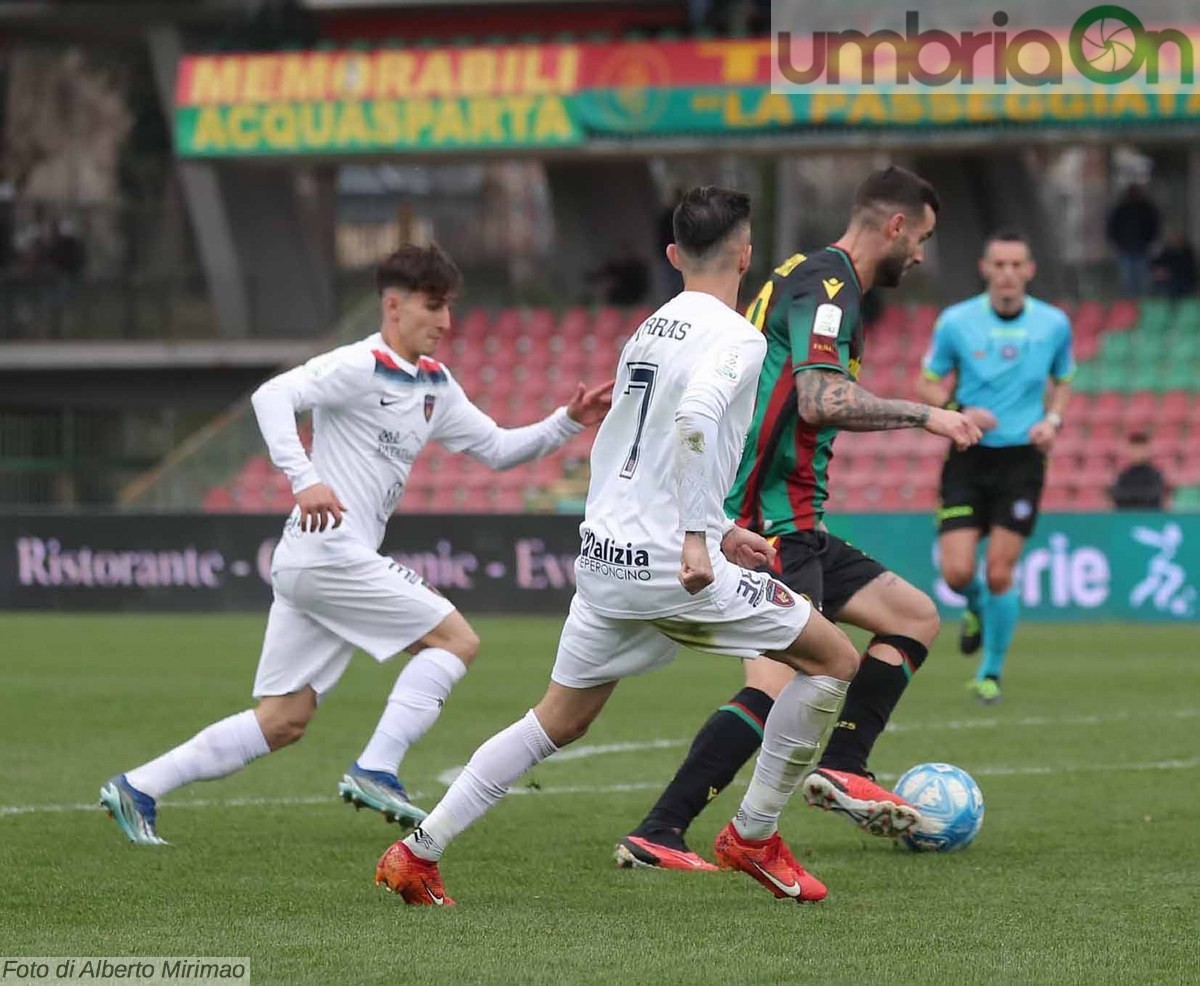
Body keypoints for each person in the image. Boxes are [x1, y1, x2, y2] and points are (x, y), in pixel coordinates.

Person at [376, 186, 867, 907]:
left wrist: (721, 528)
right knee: (832, 660)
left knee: (558, 718)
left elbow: (641, 449)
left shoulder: (648, 329)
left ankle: (418, 852)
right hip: (674, 564)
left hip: (608, 555)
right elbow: (698, 417)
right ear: (747, 254)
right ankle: (754, 834)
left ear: (673, 256)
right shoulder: (739, 336)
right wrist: (703, 537)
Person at [99, 244, 613, 845]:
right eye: (433, 306)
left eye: (449, 308)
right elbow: (271, 397)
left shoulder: (433, 385)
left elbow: (497, 450)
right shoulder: (358, 366)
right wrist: (305, 479)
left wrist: (568, 420)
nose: (445, 322)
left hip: (314, 560)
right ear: (393, 306)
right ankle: (377, 767)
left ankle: (138, 787)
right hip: (328, 551)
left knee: (284, 719)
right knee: (455, 639)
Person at [614, 166, 983, 872]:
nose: (922, 256)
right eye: (923, 238)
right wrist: (926, 413)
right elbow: (819, 398)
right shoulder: (830, 283)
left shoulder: (803, 273)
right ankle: (665, 828)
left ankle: (843, 763)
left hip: (793, 513)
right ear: (895, 226)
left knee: (912, 617)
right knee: (779, 680)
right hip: (766, 517)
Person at [916, 230, 1075, 704]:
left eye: (1016, 265)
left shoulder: (1054, 324)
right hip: (969, 453)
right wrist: (956, 406)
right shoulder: (956, 322)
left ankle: (991, 672)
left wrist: (1053, 419)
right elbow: (926, 384)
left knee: (1001, 571)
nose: (1007, 274)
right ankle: (975, 608)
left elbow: (1063, 380)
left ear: (1030, 270)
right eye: (999, 265)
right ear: (985, 268)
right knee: (958, 573)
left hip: (1022, 459)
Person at [1106, 184, 1161, 297]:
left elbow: (1154, 227)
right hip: (1126, 249)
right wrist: (1118, 244)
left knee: (1143, 281)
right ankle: (1130, 306)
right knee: (1128, 281)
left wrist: (1149, 242)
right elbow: (1112, 228)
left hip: (1142, 249)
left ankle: (1142, 304)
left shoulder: (1146, 209)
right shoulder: (1120, 210)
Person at [1110, 432, 1168, 510]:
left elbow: (1155, 496)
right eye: (1135, 448)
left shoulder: (1155, 474)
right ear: (1129, 450)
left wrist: (1131, 497)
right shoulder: (1124, 475)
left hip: (1150, 518)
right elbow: (1118, 496)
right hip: (1127, 518)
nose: (1138, 452)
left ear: (1147, 449)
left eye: (1141, 448)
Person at [1151, 229, 1198, 299]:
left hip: (1184, 281)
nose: (1175, 240)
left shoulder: (1187, 252)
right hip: (1169, 282)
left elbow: (1190, 270)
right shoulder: (1166, 251)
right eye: (1173, 237)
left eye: (1178, 237)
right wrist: (1160, 271)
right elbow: (1156, 264)